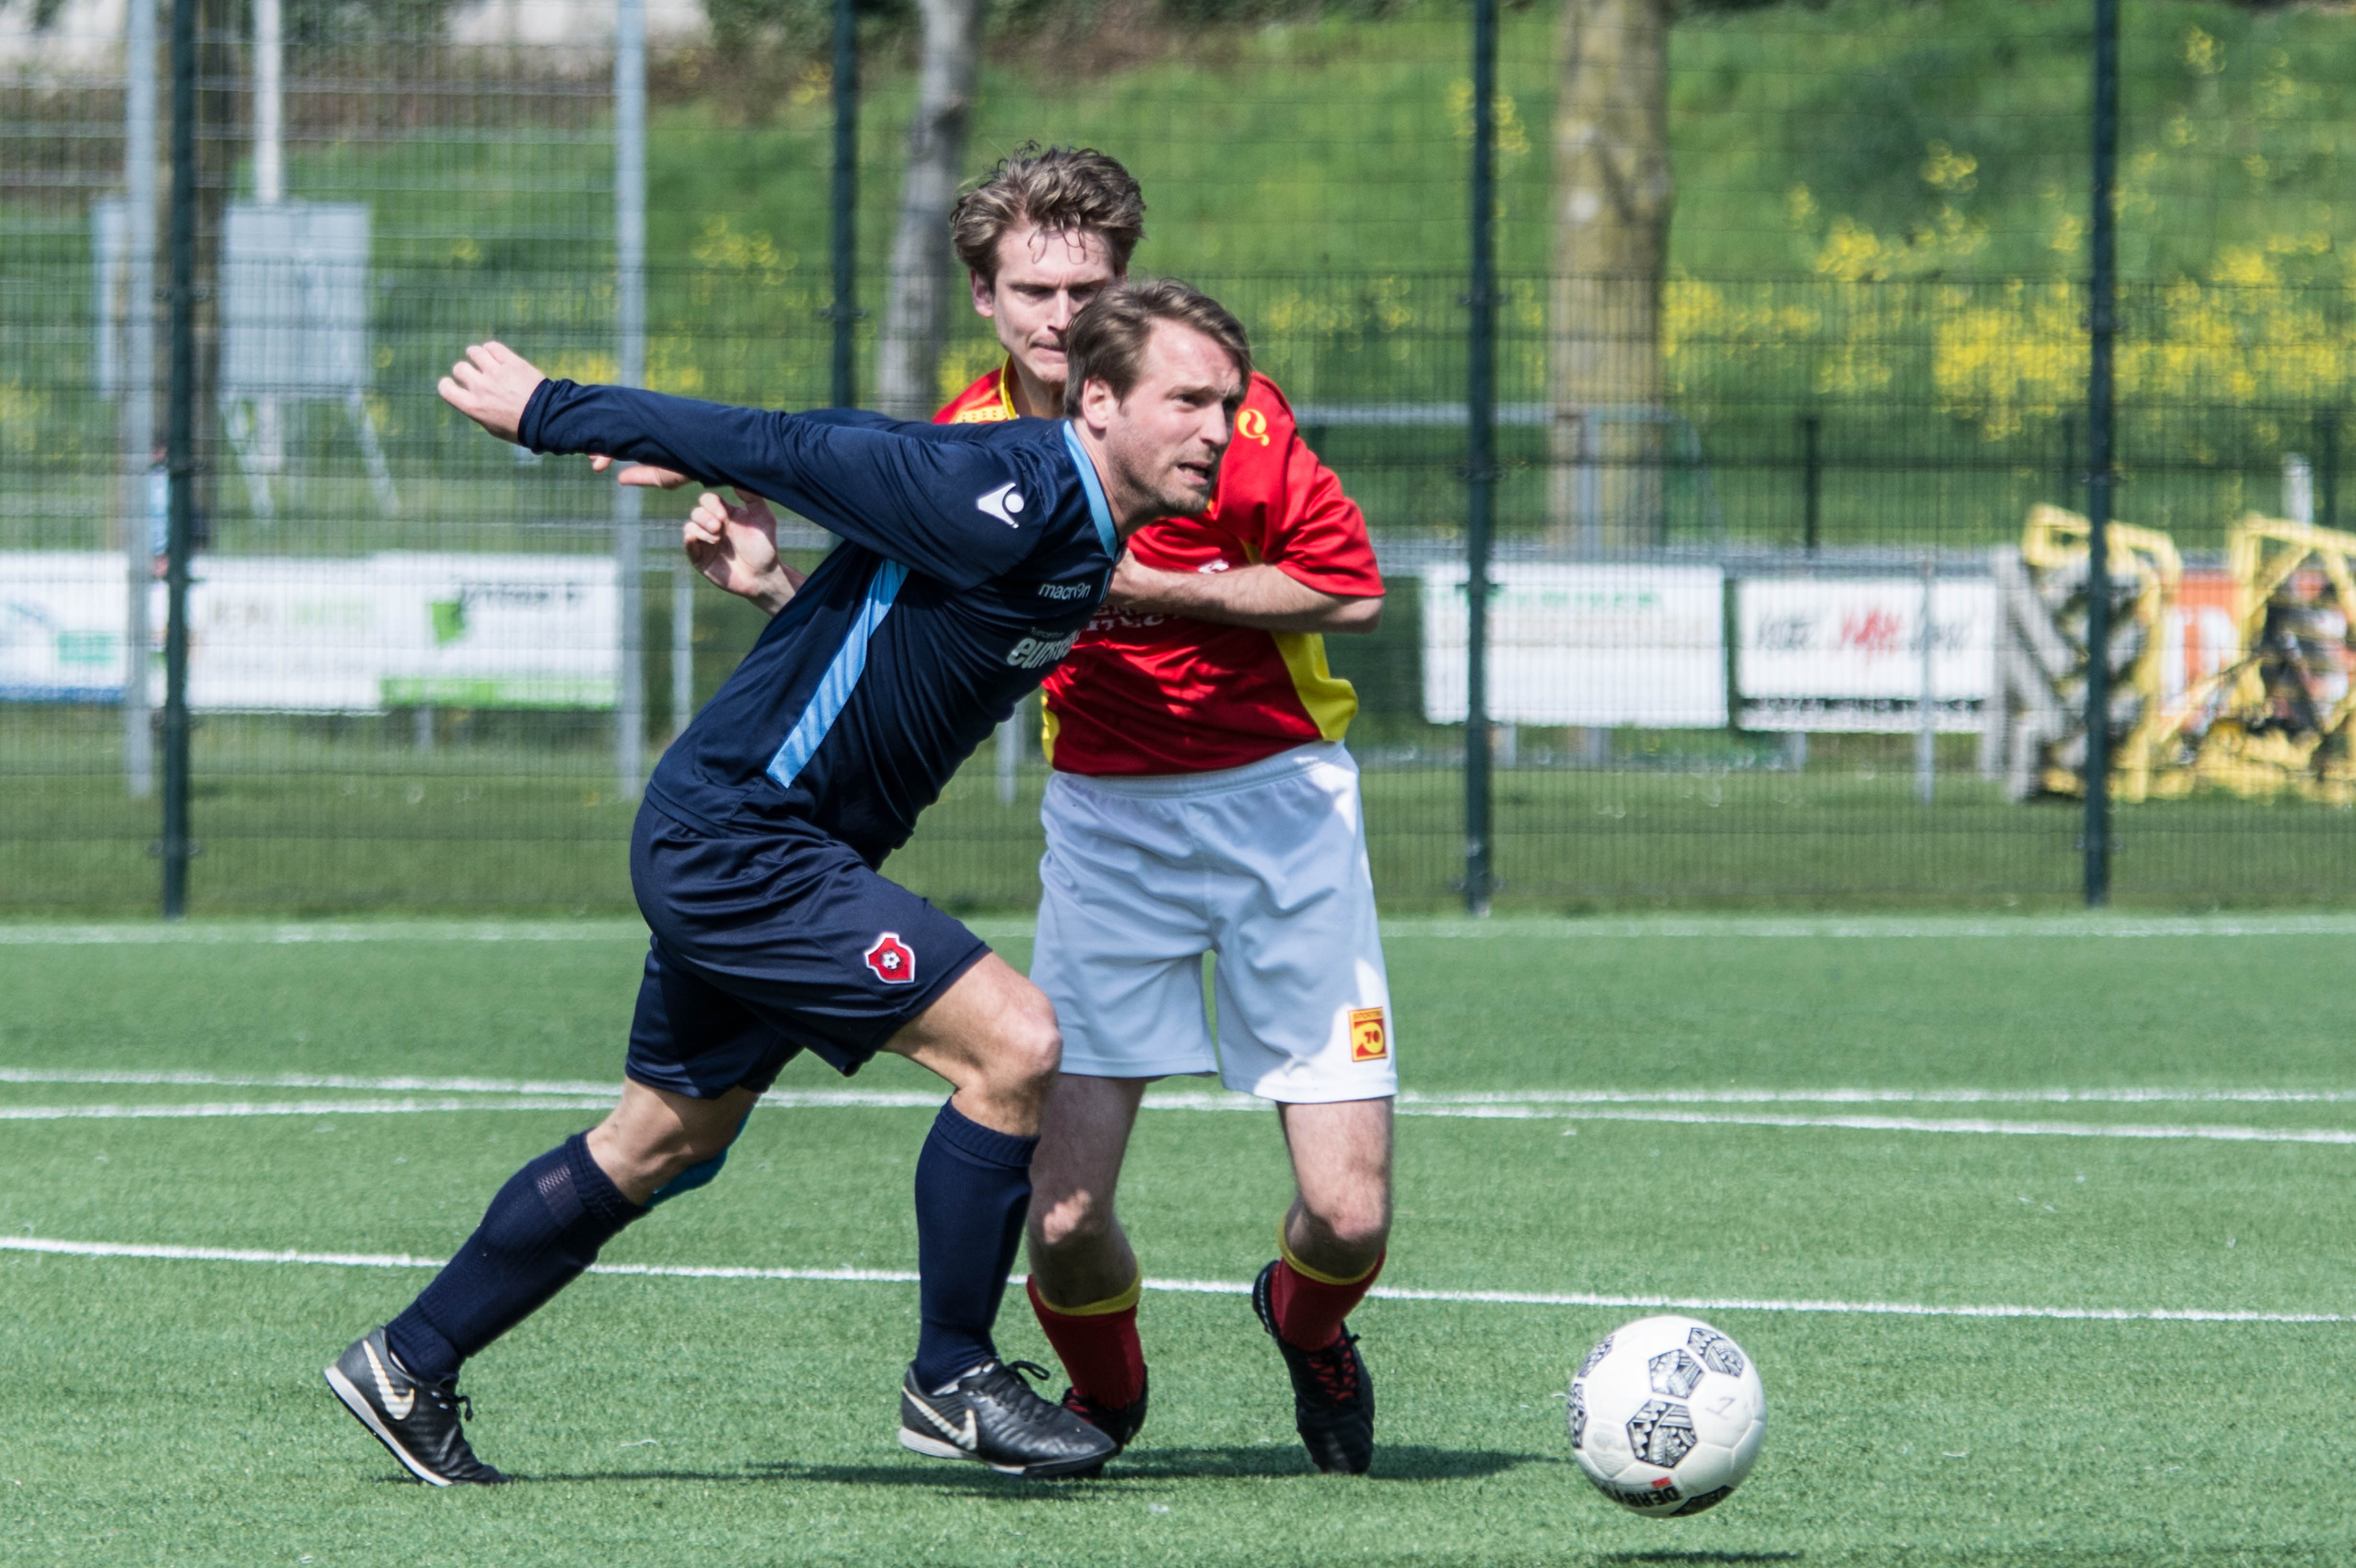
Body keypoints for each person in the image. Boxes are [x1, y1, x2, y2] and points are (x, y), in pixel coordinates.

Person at [323, 279, 1256, 1486]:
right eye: (1189, 400)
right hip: (744, 843)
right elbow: (789, 443)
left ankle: (405, 1362)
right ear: (1100, 401)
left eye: (1230, 403)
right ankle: (953, 1377)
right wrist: (558, 409)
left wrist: (776, 589)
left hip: (767, 842)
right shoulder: (1005, 493)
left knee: (663, 1137)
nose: (1219, 430)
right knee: (1016, 1046)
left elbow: (892, 635)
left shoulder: (1079, 533)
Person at [699, 146, 1396, 1476]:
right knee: (1064, 1220)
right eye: (1033, 287)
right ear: (984, 297)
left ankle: (1307, 1326)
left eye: (1092, 283)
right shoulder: (960, 456)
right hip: (1107, 827)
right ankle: (1105, 1406)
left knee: (1347, 1218)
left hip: (1283, 814)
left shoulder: (1219, 415)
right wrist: (775, 586)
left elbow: (1348, 589)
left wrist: (1139, 588)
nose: (1063, 314)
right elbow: (893, 658)